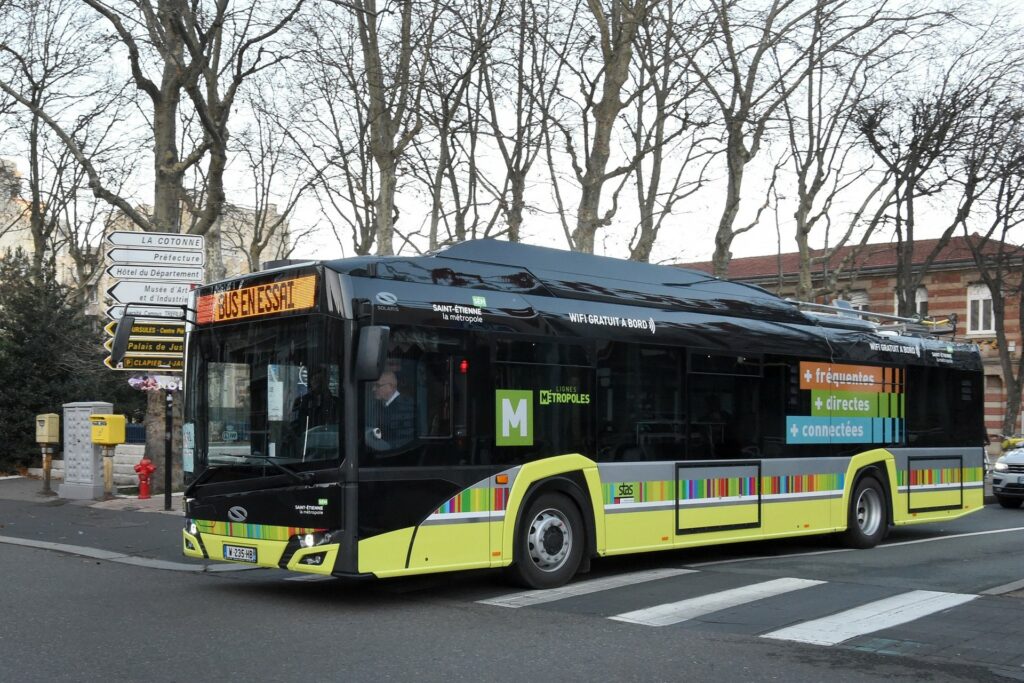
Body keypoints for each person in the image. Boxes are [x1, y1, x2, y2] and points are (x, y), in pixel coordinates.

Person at [365, 370, 415, 451]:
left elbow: (404, 442)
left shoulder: (407, 407)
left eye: (377, 385)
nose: (373, 389)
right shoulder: (376, 406)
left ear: (391, 387)